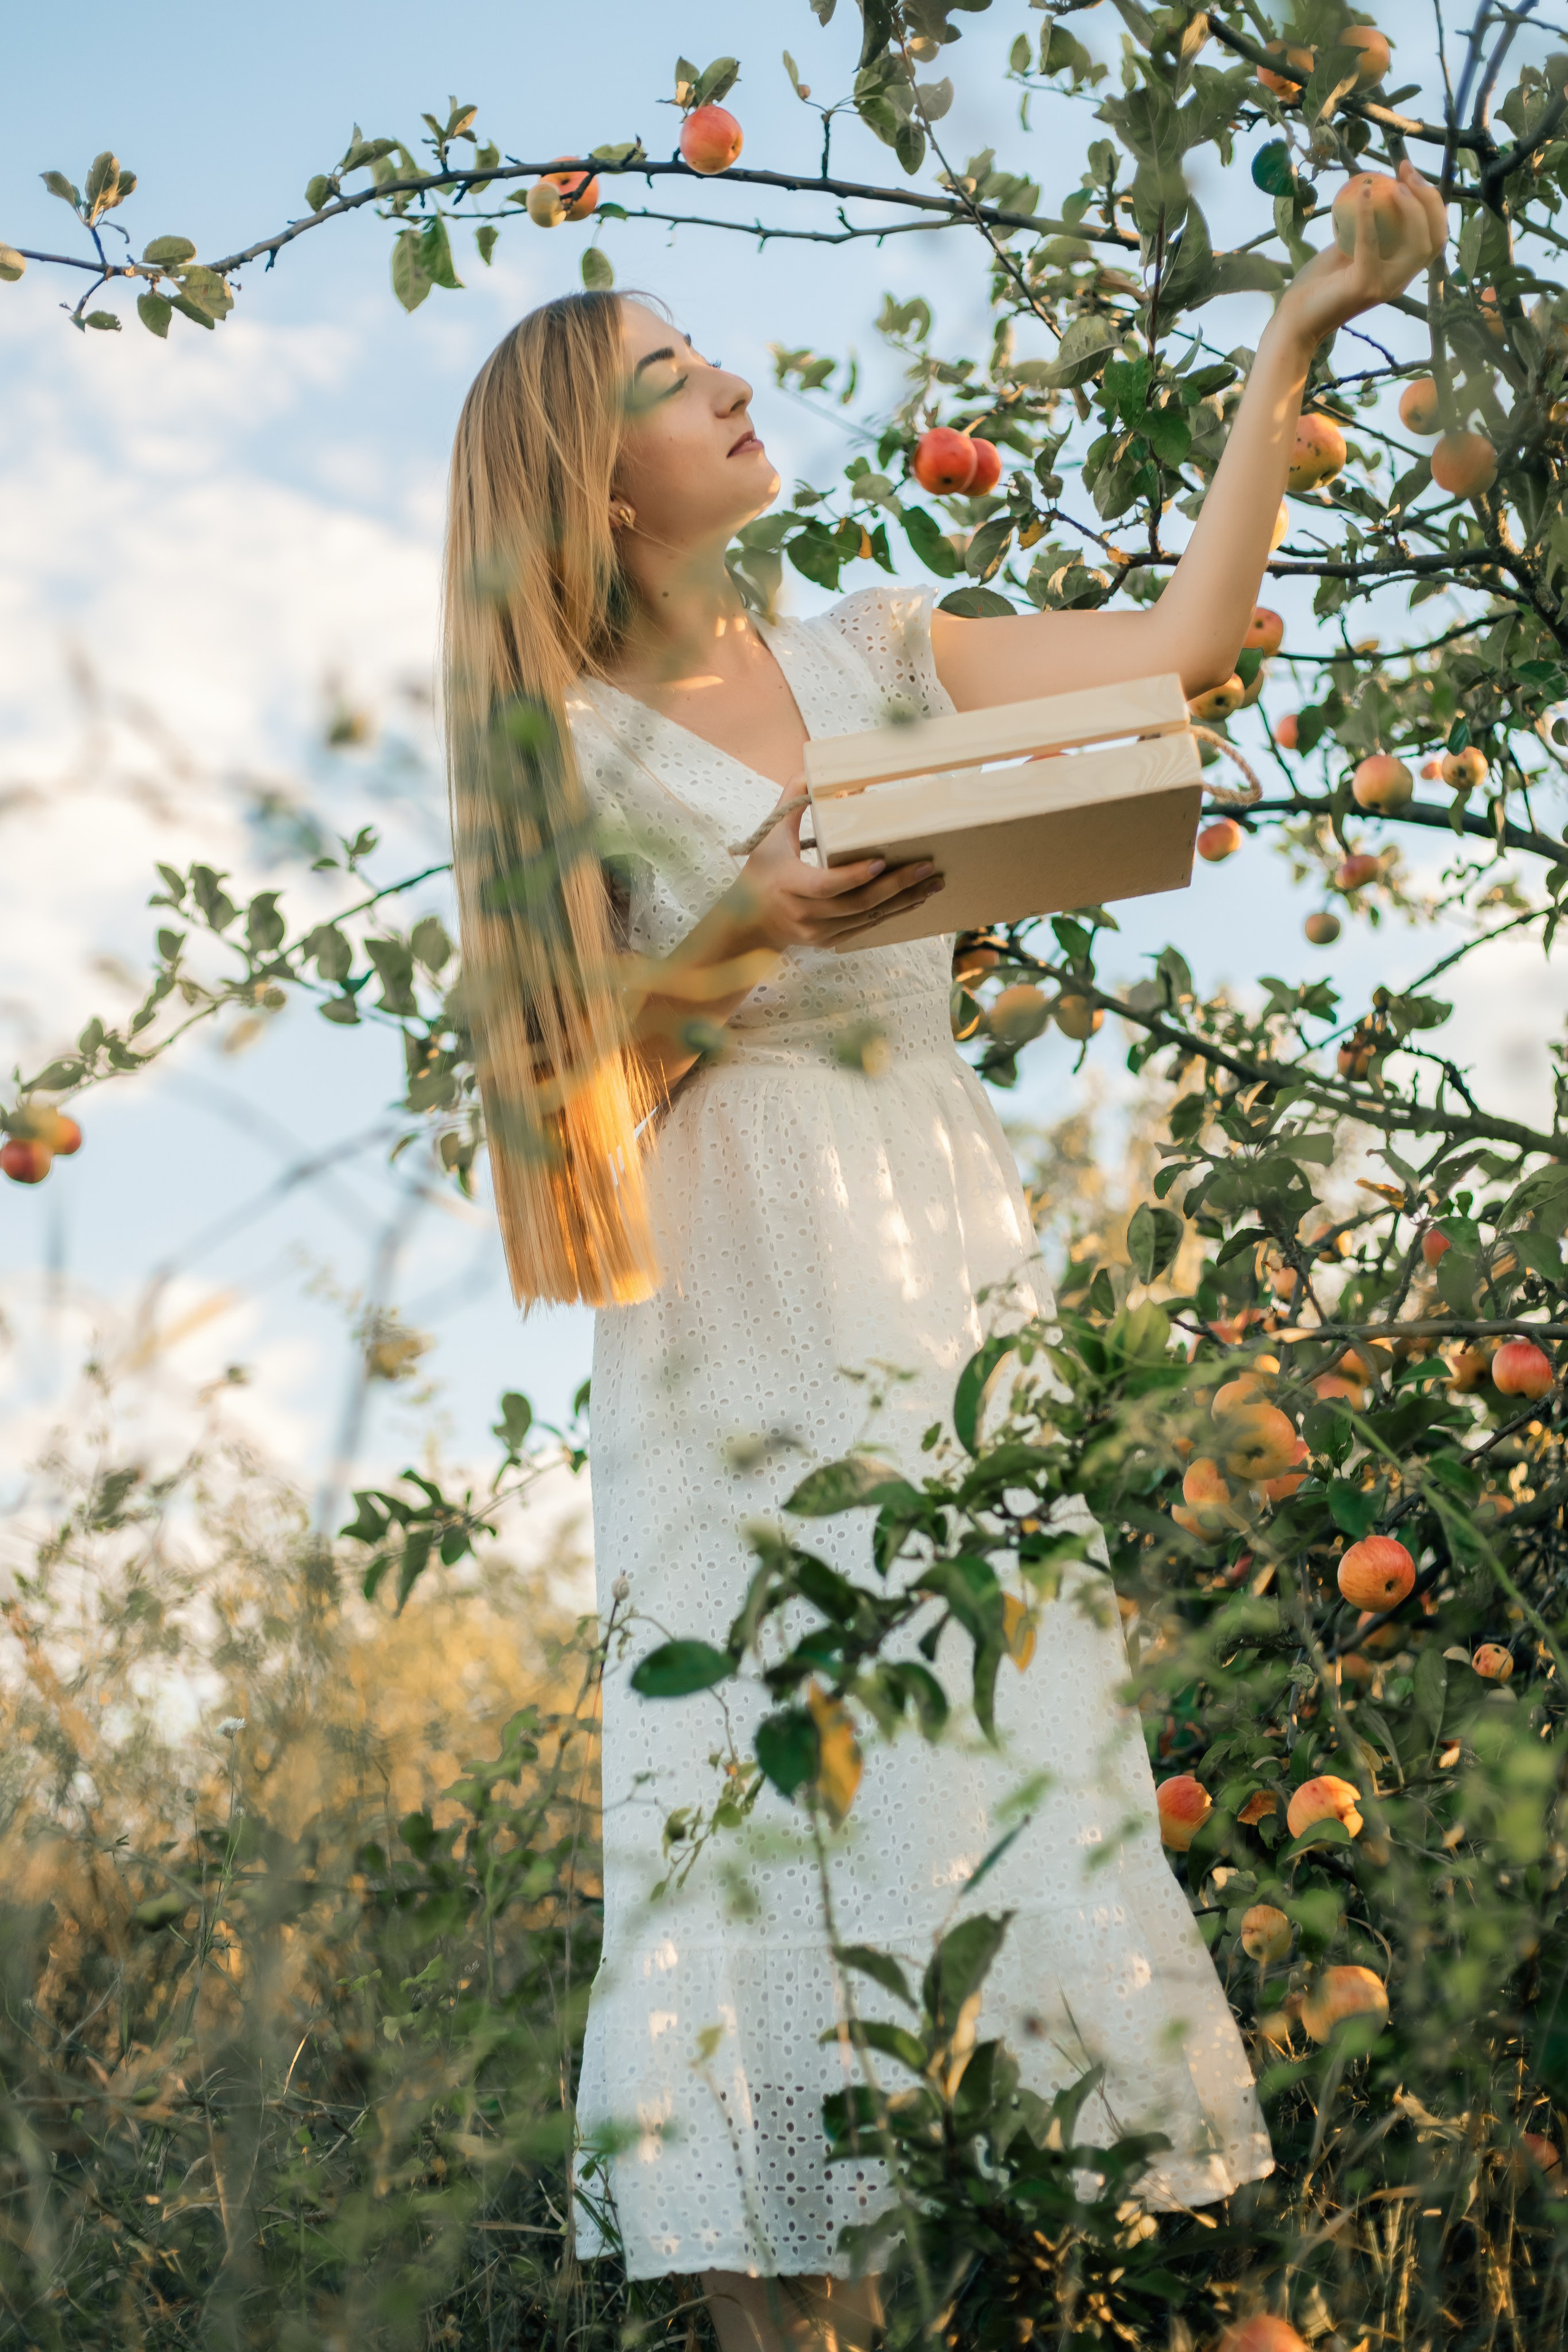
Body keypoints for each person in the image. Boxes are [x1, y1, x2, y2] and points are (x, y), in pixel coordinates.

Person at [441, 161, 1446, 2352]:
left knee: (1002, 1800)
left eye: (706, 357)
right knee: (755, 1865)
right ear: (595, 488)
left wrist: (1293, 343)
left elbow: (1186, 654)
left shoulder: (877, 649)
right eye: (670, 379)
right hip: (730, 1327)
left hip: (939, 1295)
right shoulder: (565, 758)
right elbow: (539, 1129)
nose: (724, 389)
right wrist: (739, 931)